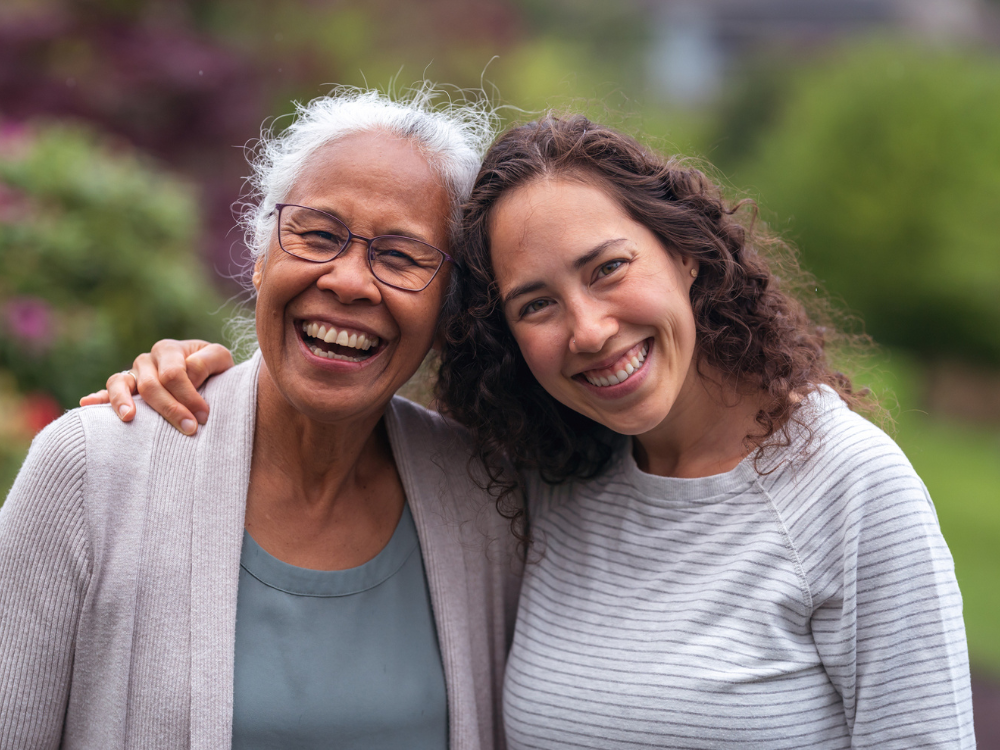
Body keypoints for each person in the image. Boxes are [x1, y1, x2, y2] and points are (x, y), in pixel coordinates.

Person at [91, 115, 975, 748]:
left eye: (610, 269)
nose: (588, 330)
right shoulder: (547, 478)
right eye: (536, 305)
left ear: (690, 251)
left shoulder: (849, 487)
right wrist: (192, 371)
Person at [0, 87, 521, 750]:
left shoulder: (490, 502)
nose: (349, 281)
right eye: (319, 234)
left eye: (399, 256)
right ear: (261, 256)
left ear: (449, 308)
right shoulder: (90, 472)